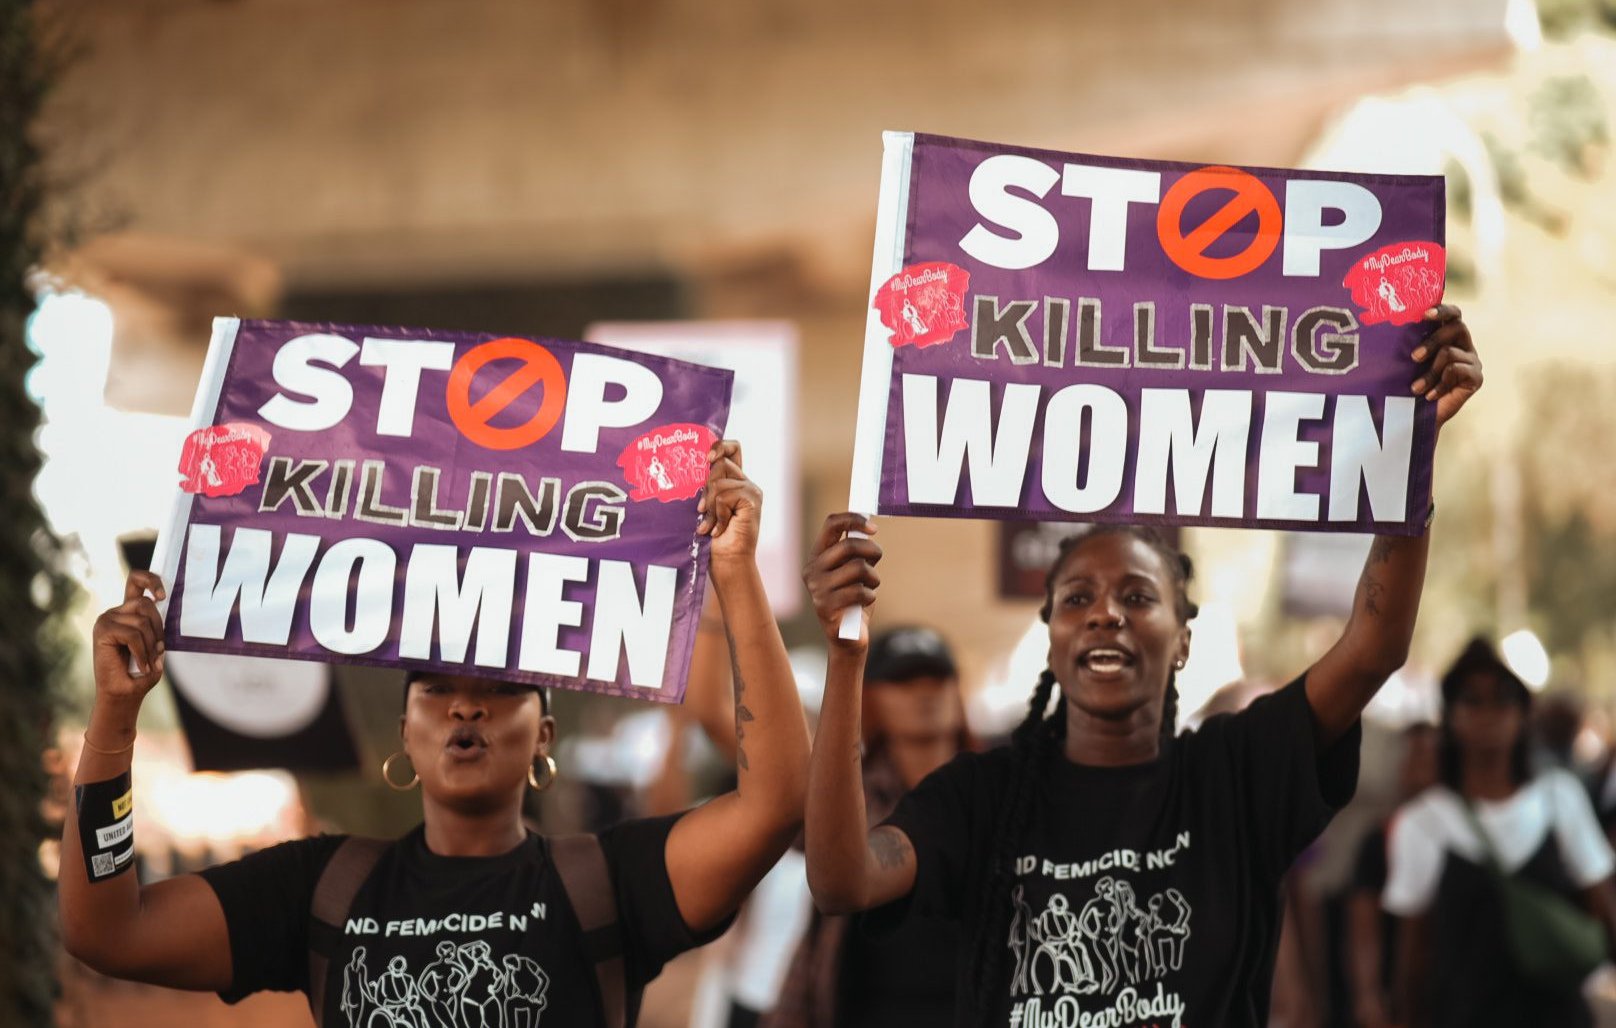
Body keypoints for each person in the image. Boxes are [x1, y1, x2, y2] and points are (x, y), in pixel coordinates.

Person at [801, 306, 1483, 1026]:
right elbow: (844, 880)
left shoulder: (1235, 773)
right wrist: (847, 658)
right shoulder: (981, 799)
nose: (1106, 614)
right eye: (1078, 598)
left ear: (1183, 639)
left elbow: (1374, 646)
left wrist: (1410, 452)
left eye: (1137, 596)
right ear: (1053, 635)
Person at [58, 441, 812, 1028]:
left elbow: (775, 802)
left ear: (543, 733)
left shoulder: (608, 881)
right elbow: (110, 932)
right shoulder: (320, 888)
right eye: (437, 690)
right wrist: (116, 719)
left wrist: (734, 573)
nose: (465, 707)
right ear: (405, 733)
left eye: (499, 690)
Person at [1384, 639, 1616, 1027]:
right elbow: (1413, 959)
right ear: (1451, 716)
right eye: (1472, 699)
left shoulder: (1558, 799)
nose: (1488, 713)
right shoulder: (1423, 823)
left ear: (1524, 714)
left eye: (1504, 699)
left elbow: (1601, 907)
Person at [766, 626, 971, 1028]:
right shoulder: (844, 797)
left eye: (937, 677)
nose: (924, 693)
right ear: (871, 697)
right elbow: (771, 782)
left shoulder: (998, 793)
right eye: (904, 680)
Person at [1344, 722, 1440, 1028]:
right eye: (1412, 757)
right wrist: (1369, 996)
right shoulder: (1383, 837)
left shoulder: (1460, 834)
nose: (1419, 767)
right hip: (1398, 996)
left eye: (1428, 758)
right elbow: (1364, 924)